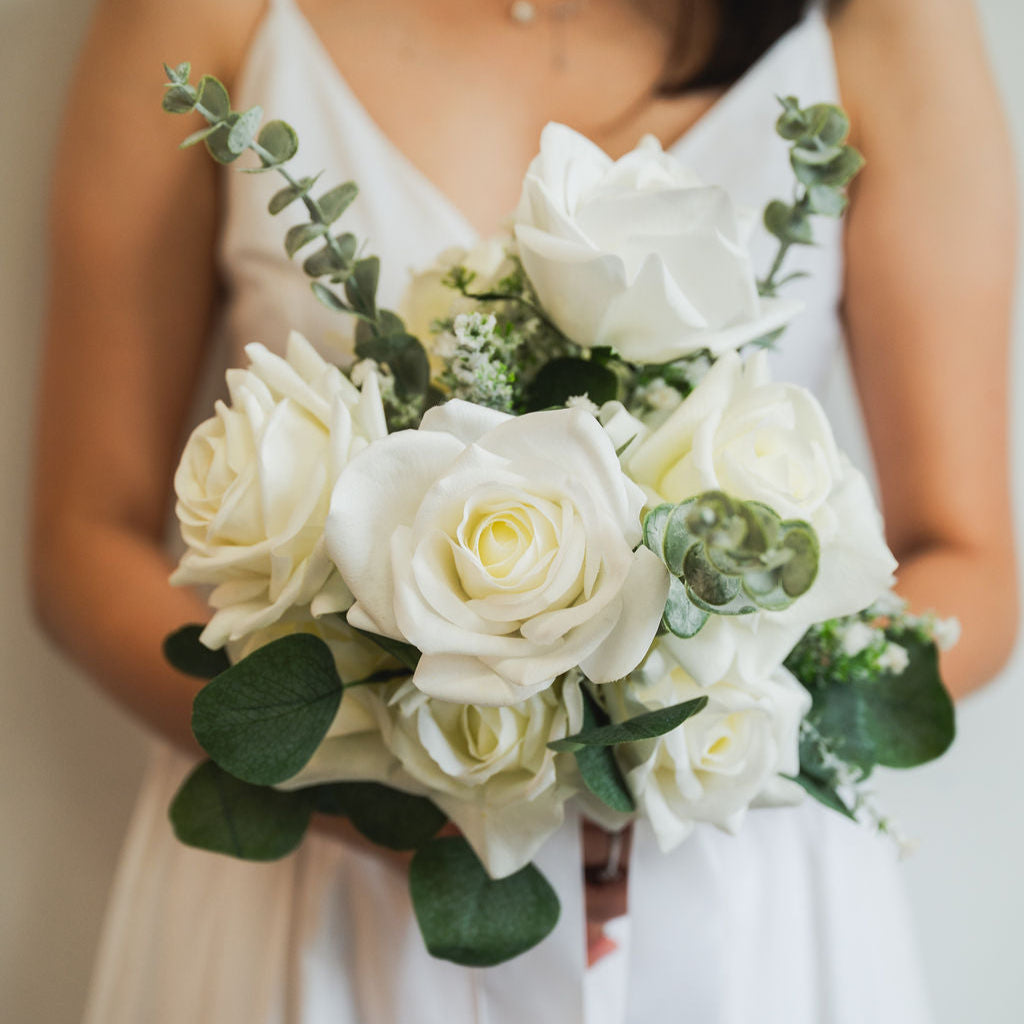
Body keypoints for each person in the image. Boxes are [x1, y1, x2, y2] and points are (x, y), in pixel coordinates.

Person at [30, 0, 1017, 1021]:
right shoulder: (201, 14)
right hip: (323, 906)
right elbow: (81, 541)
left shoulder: (883, 21)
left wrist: (703, 730)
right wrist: (380, 778)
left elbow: (968, 558)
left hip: (724, 901)